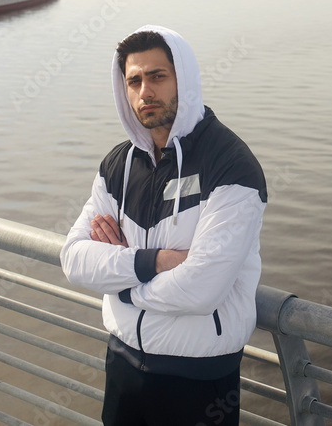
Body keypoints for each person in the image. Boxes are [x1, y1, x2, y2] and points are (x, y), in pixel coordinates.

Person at [60, 25, 267, 426]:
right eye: (134, 81)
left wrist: (121, 289)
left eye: (158, 76)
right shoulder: (117, 166)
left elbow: (201, 289)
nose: (145, 92)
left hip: (198, 377)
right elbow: (74, 260)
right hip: (122, 362)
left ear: (183, 80)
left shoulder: (230, 165)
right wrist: (153, 262)